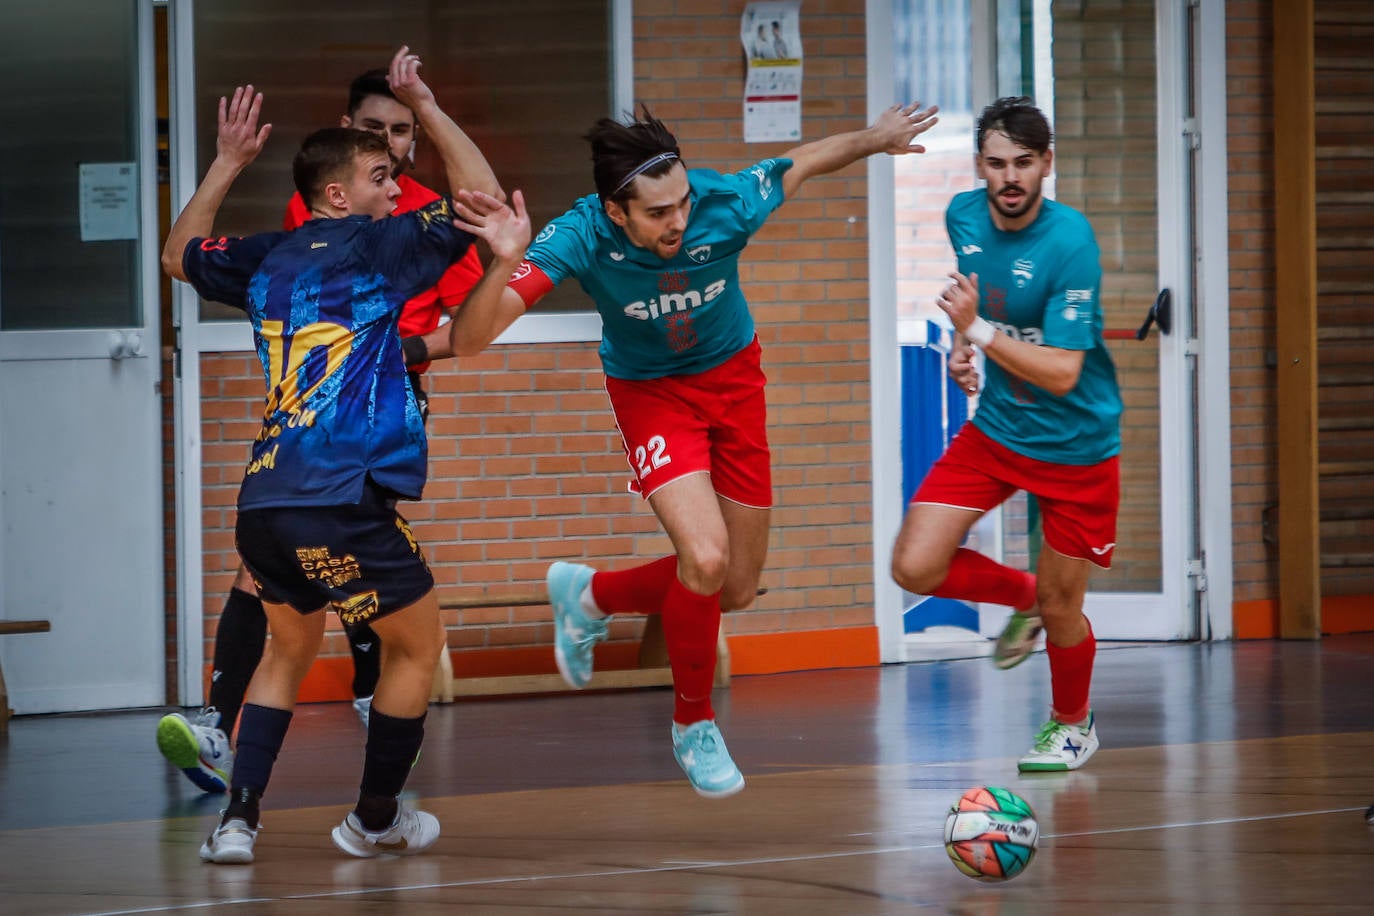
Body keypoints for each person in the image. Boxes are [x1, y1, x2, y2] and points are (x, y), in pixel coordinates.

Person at [449, 101, 938, 798]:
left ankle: (590, 594)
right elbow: (471, 339)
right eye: (657, 213)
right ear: (616, 212)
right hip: (651, 394)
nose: (677, 220)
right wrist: (501, 262)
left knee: (734, 585)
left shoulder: (725, 203)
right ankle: (693, 723)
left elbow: (803, 161)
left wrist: (875, 139)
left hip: (736, 384)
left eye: (681, 203)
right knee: (704, 557)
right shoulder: (581, 234)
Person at [161, 45, 530, 864]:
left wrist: (225, 164)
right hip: (341, 495)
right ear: (339, 194)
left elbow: (176, 255)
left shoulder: (265, 256)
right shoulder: (380, 247)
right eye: (382, 176)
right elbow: (477, 196)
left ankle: (237, 824)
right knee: (416, 644)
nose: (397, 186)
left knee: (288, 650)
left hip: (264, 499)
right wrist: (428, 108)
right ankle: (374, 817)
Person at [890, 96, 1121, 773]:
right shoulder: (961, 215)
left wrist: (981, 334)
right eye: (997, 164)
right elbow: (983, 299)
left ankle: (1072, 726)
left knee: (1065, 605)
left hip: (1076, 446)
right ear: (979, 168)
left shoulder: (1070, 242)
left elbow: (1061, 371)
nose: (1010, 177)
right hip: (997, 430)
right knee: (915, 566)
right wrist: (966, 346)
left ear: (1047, 164)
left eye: (1024, 162)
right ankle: (1023, 599)